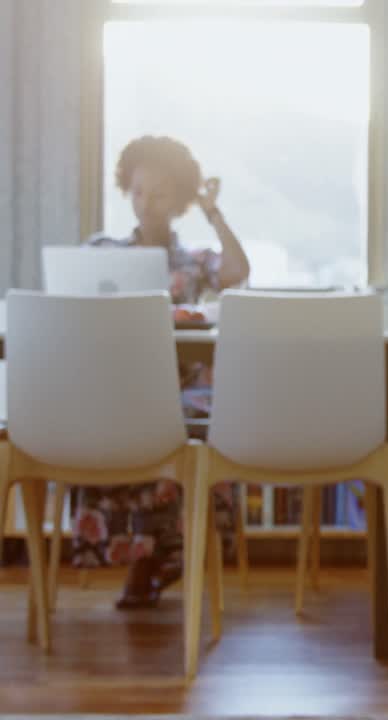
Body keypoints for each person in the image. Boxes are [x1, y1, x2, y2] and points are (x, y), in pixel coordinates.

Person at [71, 135, 251, 609]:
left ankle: (158, 560)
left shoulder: (194, 261)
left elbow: (238, 270)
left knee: (184, 422)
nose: (145, 204)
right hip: (118, 388)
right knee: (121, 418)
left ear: (180, 201)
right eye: (137, 192)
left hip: (180, 390)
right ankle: (150, 560)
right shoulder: (100, 253)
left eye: (158, 194)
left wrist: (213, 212)